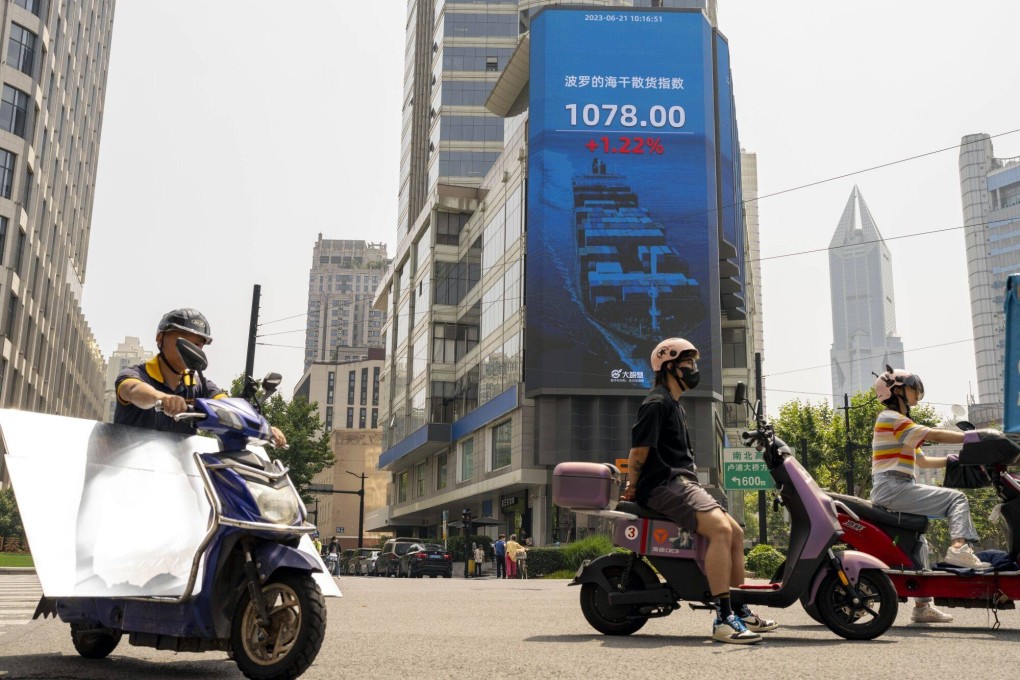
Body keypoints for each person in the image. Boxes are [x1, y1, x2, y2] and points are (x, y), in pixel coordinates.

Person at [621, 338, 777, 644]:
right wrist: (631, 488)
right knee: (720, 530)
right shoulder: (656, 403)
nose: (694, 369)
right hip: (664, 485)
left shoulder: (674, 405)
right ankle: (722, 619)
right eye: (687, 363)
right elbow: (638, 453)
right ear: (669, 367)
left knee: (735, 533)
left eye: (694, 363)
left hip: (681, 483)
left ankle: (739, 608)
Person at [869, 366, 992, 623]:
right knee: (956, 499)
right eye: (912, 387)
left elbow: (923, 462)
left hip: (896, 486)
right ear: (896, 391)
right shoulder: (890, 418)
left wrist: (954, 460)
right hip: (893, 486)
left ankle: (923, 607)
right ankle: (959, 549)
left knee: (918, 541)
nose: (917, 392)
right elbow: (931, 433)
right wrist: (973, 437)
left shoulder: (900, 427)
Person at [114, 308, 287, 446]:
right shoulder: (136, 374)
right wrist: (162, 397)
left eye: (198, 344)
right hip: (129, 471)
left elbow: (228, 407)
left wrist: (262, 427)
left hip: (177, 475)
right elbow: (132, 389)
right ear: (160, 338)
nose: (192, 349)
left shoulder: (200, 386)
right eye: (184, 341)